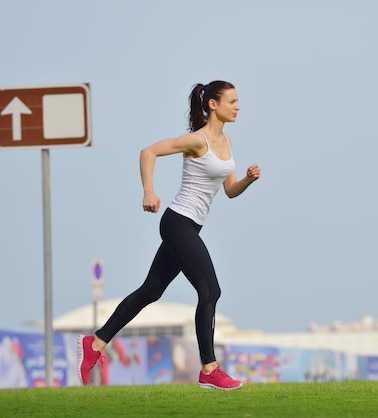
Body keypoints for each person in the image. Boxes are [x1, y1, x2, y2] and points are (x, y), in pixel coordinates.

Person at [77, 80, 260, 390]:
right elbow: (148, 152)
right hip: (178, 222)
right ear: (213, 104)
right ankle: (209, 368)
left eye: (238, 101)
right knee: (210, 291)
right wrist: (148, 191)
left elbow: (229, 191)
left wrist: (247, 180)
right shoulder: (196, 141)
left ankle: (95, 343)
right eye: (232, 101)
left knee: (151, 290)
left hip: (190, 226)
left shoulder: (227, 142)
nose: (238, 106)